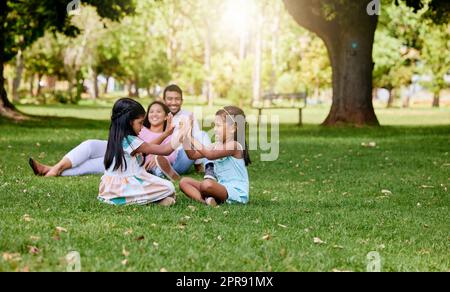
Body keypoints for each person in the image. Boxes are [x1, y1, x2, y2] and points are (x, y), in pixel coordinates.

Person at [28, 101, 177, 179]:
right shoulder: (139, 128)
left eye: (159, 112)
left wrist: (169, 133)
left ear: (166, 116)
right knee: (90, 145)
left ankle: (50, 170)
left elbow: (159, 151)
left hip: (130, 160)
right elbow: (144, 145)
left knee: (87, 166)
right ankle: (54, 169)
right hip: (119, 147)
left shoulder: (166, 133)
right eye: (152, 111)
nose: (154, 114)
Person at [98, 98, 187, 206]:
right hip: (124, 187)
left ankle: (154, 199)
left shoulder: (119, 137)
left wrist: (166, 134)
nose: (142, 127)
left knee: (166, 188)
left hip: (115, 186)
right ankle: (138, 200)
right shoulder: (130, 141)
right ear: (129, 122)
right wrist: (181, 134)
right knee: (169, 187)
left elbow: (148, 147)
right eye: (140, 123)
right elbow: (165, 150)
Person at [179, 106, 251, 206]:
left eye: (218, 125)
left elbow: (210, 155)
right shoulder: (216, 145)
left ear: (233, 128)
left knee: (207, 184)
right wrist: (185, 138)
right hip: (221, 186)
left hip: (236, 191)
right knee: (184, 182)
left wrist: (190, 137)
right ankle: (207, 202)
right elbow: (192, 155)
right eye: (214, 126)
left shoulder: (234, 145)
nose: (215, 129)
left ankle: (211, 198)